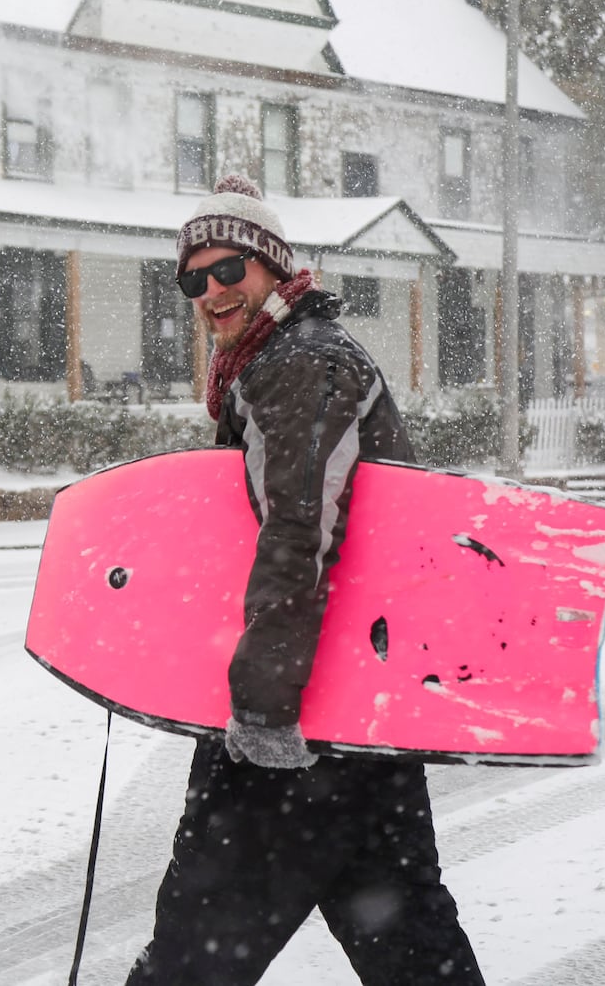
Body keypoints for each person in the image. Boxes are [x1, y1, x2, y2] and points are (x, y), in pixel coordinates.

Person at [125, 174, 485, 986]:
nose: (212, 291)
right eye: (195, 277)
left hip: (298, 718)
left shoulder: (299, 365)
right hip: (358, 704)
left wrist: (261, 708)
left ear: (274, 270)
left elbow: (300, 535)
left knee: (190, 958)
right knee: (412, 944)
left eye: (230, 271)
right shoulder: (292, 358)